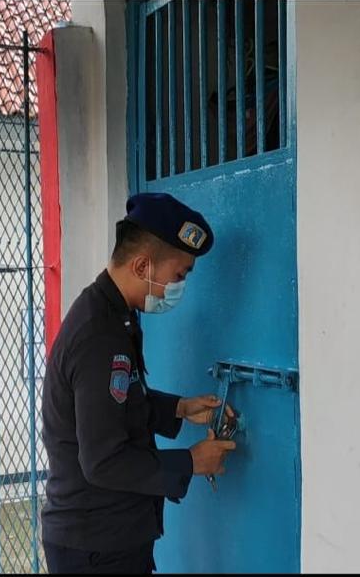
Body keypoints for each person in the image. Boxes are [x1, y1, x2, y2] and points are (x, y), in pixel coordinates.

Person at [41, 193, 237, 574]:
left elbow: (117, 404)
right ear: (144, 265)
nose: (178, 286)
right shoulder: (99, 334)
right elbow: (103, 460)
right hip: (95, 544)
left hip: (106, 535)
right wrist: (191, 461)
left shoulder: (114, 314)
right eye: (178, 276)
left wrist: (178, 409)